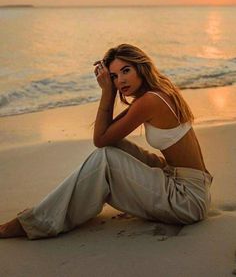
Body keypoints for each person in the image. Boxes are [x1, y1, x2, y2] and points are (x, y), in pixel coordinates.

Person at [0, 43, 213, 239]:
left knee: (107, 157)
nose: (120, 80)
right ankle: (60, 210)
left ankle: (39, 221)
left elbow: (100, 139)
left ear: (141, 67)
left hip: (188, 200)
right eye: (113, 76)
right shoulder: (157, 92)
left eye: (126, 71)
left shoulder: (149, 101)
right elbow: (109, 136)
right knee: (114, 146)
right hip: (185, 183)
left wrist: (107, 93)